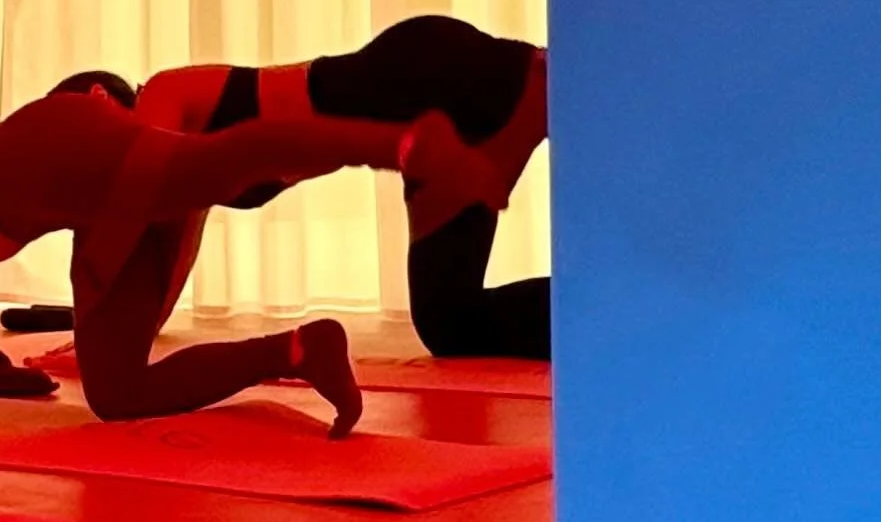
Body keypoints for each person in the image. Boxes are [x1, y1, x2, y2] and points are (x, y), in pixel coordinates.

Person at [0, 81, 510, 433]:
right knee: (118, 393)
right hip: (90, 215)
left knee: (216, 165)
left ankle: (401, 142)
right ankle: (299, 349)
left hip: (50, 147)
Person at [74, 19, 551, 363]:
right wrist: (124, 333)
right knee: (451, 322)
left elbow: (143, 218)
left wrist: (98, 322)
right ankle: (595, 310)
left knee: (546, 93)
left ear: (98, 99)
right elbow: (168, 258)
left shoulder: (161, 96)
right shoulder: (179, 167)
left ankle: (558, 67)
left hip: (414, 75)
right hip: (421, 109)